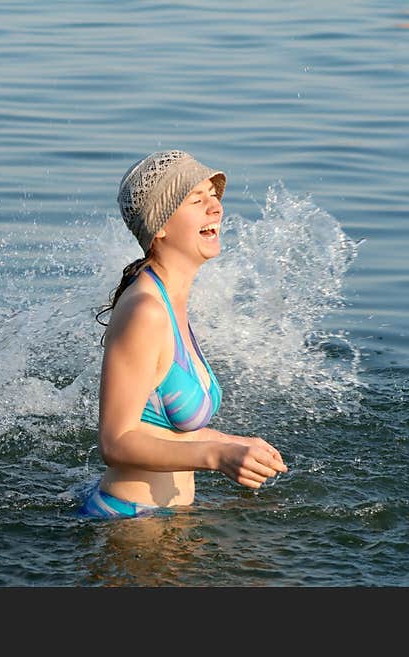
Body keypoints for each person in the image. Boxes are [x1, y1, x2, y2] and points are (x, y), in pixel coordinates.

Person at [79, 150, 287, 518]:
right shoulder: (146, 311)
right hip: (129, 524)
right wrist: (217, 456)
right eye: (197, 199)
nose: (216, 208)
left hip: (160, 523)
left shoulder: (169, 298)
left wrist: (234, 443)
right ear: (160, 226)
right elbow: (116, 442)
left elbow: (158, 428)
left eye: (214, 196)